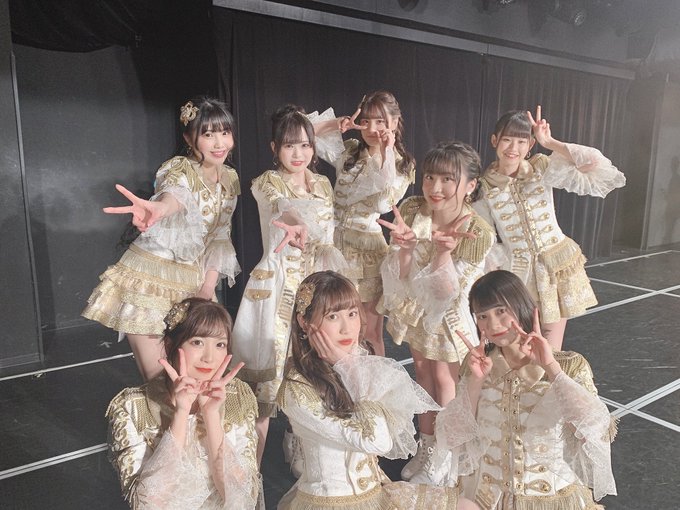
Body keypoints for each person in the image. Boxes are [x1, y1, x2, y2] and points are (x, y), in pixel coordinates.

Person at [420, 270, 617, 509]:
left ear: (521, 305)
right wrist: (475, 382)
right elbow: (452, 437)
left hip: (551, 501)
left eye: (501, 311)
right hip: (484, 499)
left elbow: (593, 430)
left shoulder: (569, 365)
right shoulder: (476, 366)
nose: (493, 324)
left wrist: (550, 366)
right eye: (482, 316)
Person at [83, 97, 241, 381]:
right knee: (160, 377)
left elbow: (219, 237)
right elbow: (175, 195)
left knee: (198, 376)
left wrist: (206, 289)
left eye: (225, 132)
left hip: (194, 283)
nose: (219, 143)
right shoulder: (178, 168)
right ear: (189, 139)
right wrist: (160, 208)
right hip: (151, 280)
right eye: (208, 134)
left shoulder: (229, 177)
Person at [277, 271, 460, 510]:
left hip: (376, 491)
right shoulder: (297, 388)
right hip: (331, 502)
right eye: (333, 316)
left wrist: (348, 365)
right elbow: (377, 441)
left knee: (466, 505)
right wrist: (350, 369)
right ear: (304, 322)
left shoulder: (359, 360)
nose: (347, 328)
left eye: (352, 313)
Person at [230, 105, 347, 466]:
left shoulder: (323, 183)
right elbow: (282, 207)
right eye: (289, 145)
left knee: (312, 371)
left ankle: (299, 441)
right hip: (278, 289)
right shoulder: (266, 181)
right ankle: (250, 473)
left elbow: (328, 236)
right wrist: (296, 222)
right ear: (274, 148)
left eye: (305, 145)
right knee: (265, 384)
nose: (298, 154)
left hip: (315, 287)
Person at [379, 141, 495, 482]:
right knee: (422, 373)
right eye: (430, 177)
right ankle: (427, 446)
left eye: (447, 179)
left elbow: (448, 292)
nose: (435, 187)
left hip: (449, 317)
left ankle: (446, 456)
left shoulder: (477, 232)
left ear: (470, 185)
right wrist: (405, 249)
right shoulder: (414, 209)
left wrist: (443, 253)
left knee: (445, 379)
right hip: (417, 309)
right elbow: (403, 274)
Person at [473, 106, 625, 349]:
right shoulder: (482, 187)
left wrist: (550, 142)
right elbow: (487, 240)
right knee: (517, 348)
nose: (513, 148)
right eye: (507, 140)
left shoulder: (541, 167)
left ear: (530, 144)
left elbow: (595, 164)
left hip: (555, 269)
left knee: (550, 349)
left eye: (521, 141)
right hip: (517, 275)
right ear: (494, 141)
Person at [106, 298, 262, 509]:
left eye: (220, 344)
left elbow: (241, 499)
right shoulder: (133, 408)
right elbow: (148, 503)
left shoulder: (238, 398)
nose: (209, 357)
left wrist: (211, 415)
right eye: (197, 342)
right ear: (171, 345)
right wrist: (181, 414)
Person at [310, 90, 416, 356]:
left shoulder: (402, 164)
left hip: (368, 253)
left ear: (395, 121)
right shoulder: (349, 151)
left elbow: (385, 201)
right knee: (330, 327)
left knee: (368, 333)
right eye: (366, 121)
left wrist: (387, 151)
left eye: (380, 121)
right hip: (331, 246)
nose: (371, 129)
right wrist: (336, 125)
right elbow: (302, 133)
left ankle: (373, 384)